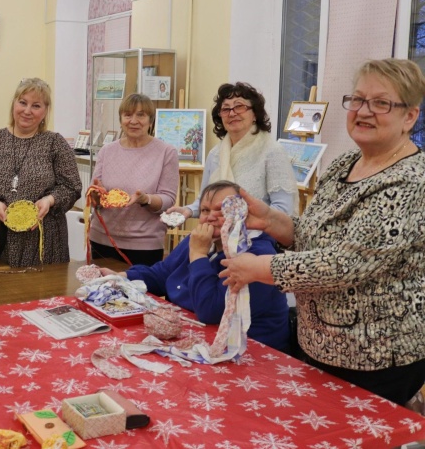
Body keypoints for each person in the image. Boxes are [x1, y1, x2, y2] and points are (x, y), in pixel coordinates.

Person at [220, 58, 425, 408]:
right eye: (358, 100)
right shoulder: (346, 164)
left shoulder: (411, 181)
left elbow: (345, 264)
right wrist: (272, 220)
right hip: (319, 343)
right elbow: (314, 235)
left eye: (381, 103)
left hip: (375, 355)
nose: (364, 111)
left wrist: (258, 268)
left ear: (410, 116)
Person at [101, 181, 289, 351]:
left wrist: (198, 255)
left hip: (250, 352)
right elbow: (162, 274)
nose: (210, 217)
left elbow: (209, 310)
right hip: (193, 339)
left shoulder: (256, 254)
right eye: (205, 210)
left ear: (242, 213)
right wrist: (121, 278)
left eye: (222, 210)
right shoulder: (201, 238)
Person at [0, 78, 82, 267]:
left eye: (36, 106)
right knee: (2, 291)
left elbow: (71, 186)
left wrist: (49, 201)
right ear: (14, 104)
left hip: (45, 240)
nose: (27, 111)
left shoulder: (55, 143)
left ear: (45, 111)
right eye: (22, 102)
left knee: (46, 294)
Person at [168, 82, 298, 221]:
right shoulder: (215, 154)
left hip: (257, 236)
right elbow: (205, 201)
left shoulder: (272, 152)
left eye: (239, 106)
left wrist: (240, 220)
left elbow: (284, 209)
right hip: (217, 231)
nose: (232, 113)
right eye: (226, 109)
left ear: (255, 114)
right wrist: (187, 210)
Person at [89, 93, 179, 265]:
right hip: (103, 238)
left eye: (141, 115)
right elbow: (96, 198)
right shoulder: (107, 151)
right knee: (101, 291)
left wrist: (146, 199)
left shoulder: (166, 152)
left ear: (150, 120)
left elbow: (168, 199)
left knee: (142, 291)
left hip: (145, 244)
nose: (133, 120)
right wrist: (96, 194)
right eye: (128, 115)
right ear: (121, 119)